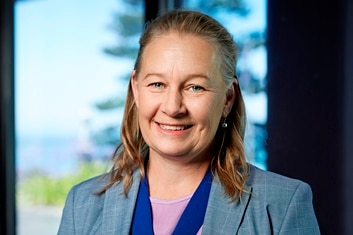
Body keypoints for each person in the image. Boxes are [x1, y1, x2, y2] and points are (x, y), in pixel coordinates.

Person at [58, 9, 320, 235]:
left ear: (228, 99)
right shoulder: (83, 205)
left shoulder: (281, 204)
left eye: (195, 87)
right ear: (136, 89)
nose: (173, 107)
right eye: (157, 84)